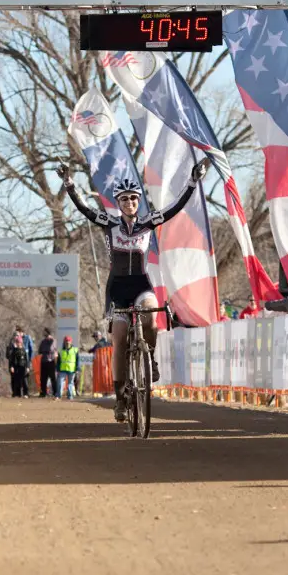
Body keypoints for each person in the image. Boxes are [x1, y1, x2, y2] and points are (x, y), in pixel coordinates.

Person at [57, 157, 208, 422]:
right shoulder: (108, 223)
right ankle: (121, 399)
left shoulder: (148, 222)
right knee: (118, 337)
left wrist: (193, 181)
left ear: (138, 201)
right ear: (119, 203)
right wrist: (69, 183)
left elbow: (175, 208)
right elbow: (83, 208)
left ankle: (150, 357)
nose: (130, 203)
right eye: (125, 199)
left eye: (133, 199)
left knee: (151, 315)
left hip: (141, 284)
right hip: (117, 289)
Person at [56, 336, 79, 401]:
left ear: (71, 342)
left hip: (72, 369)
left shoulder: (75, 350)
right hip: (62, 369)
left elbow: (77, 360)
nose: (67, 344)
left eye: (68, 342)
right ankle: (58, 396)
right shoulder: (60, 351)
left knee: (70, 383)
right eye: (66, 342)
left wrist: (77, 368)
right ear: (64, 342)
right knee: (60, 383)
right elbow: (58, 361)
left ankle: (70, 396)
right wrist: (57, 369)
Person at [37, 328, 58, 397]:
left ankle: (55, 392)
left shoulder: (53, 341)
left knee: (53, 378)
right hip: (44, 361)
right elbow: (40, 350)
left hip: (51, 361)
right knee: (43, 378)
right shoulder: (43, 341)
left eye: (44, 332)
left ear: (48, 332)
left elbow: (53, 349)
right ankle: (43, 393)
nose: (43, 333)